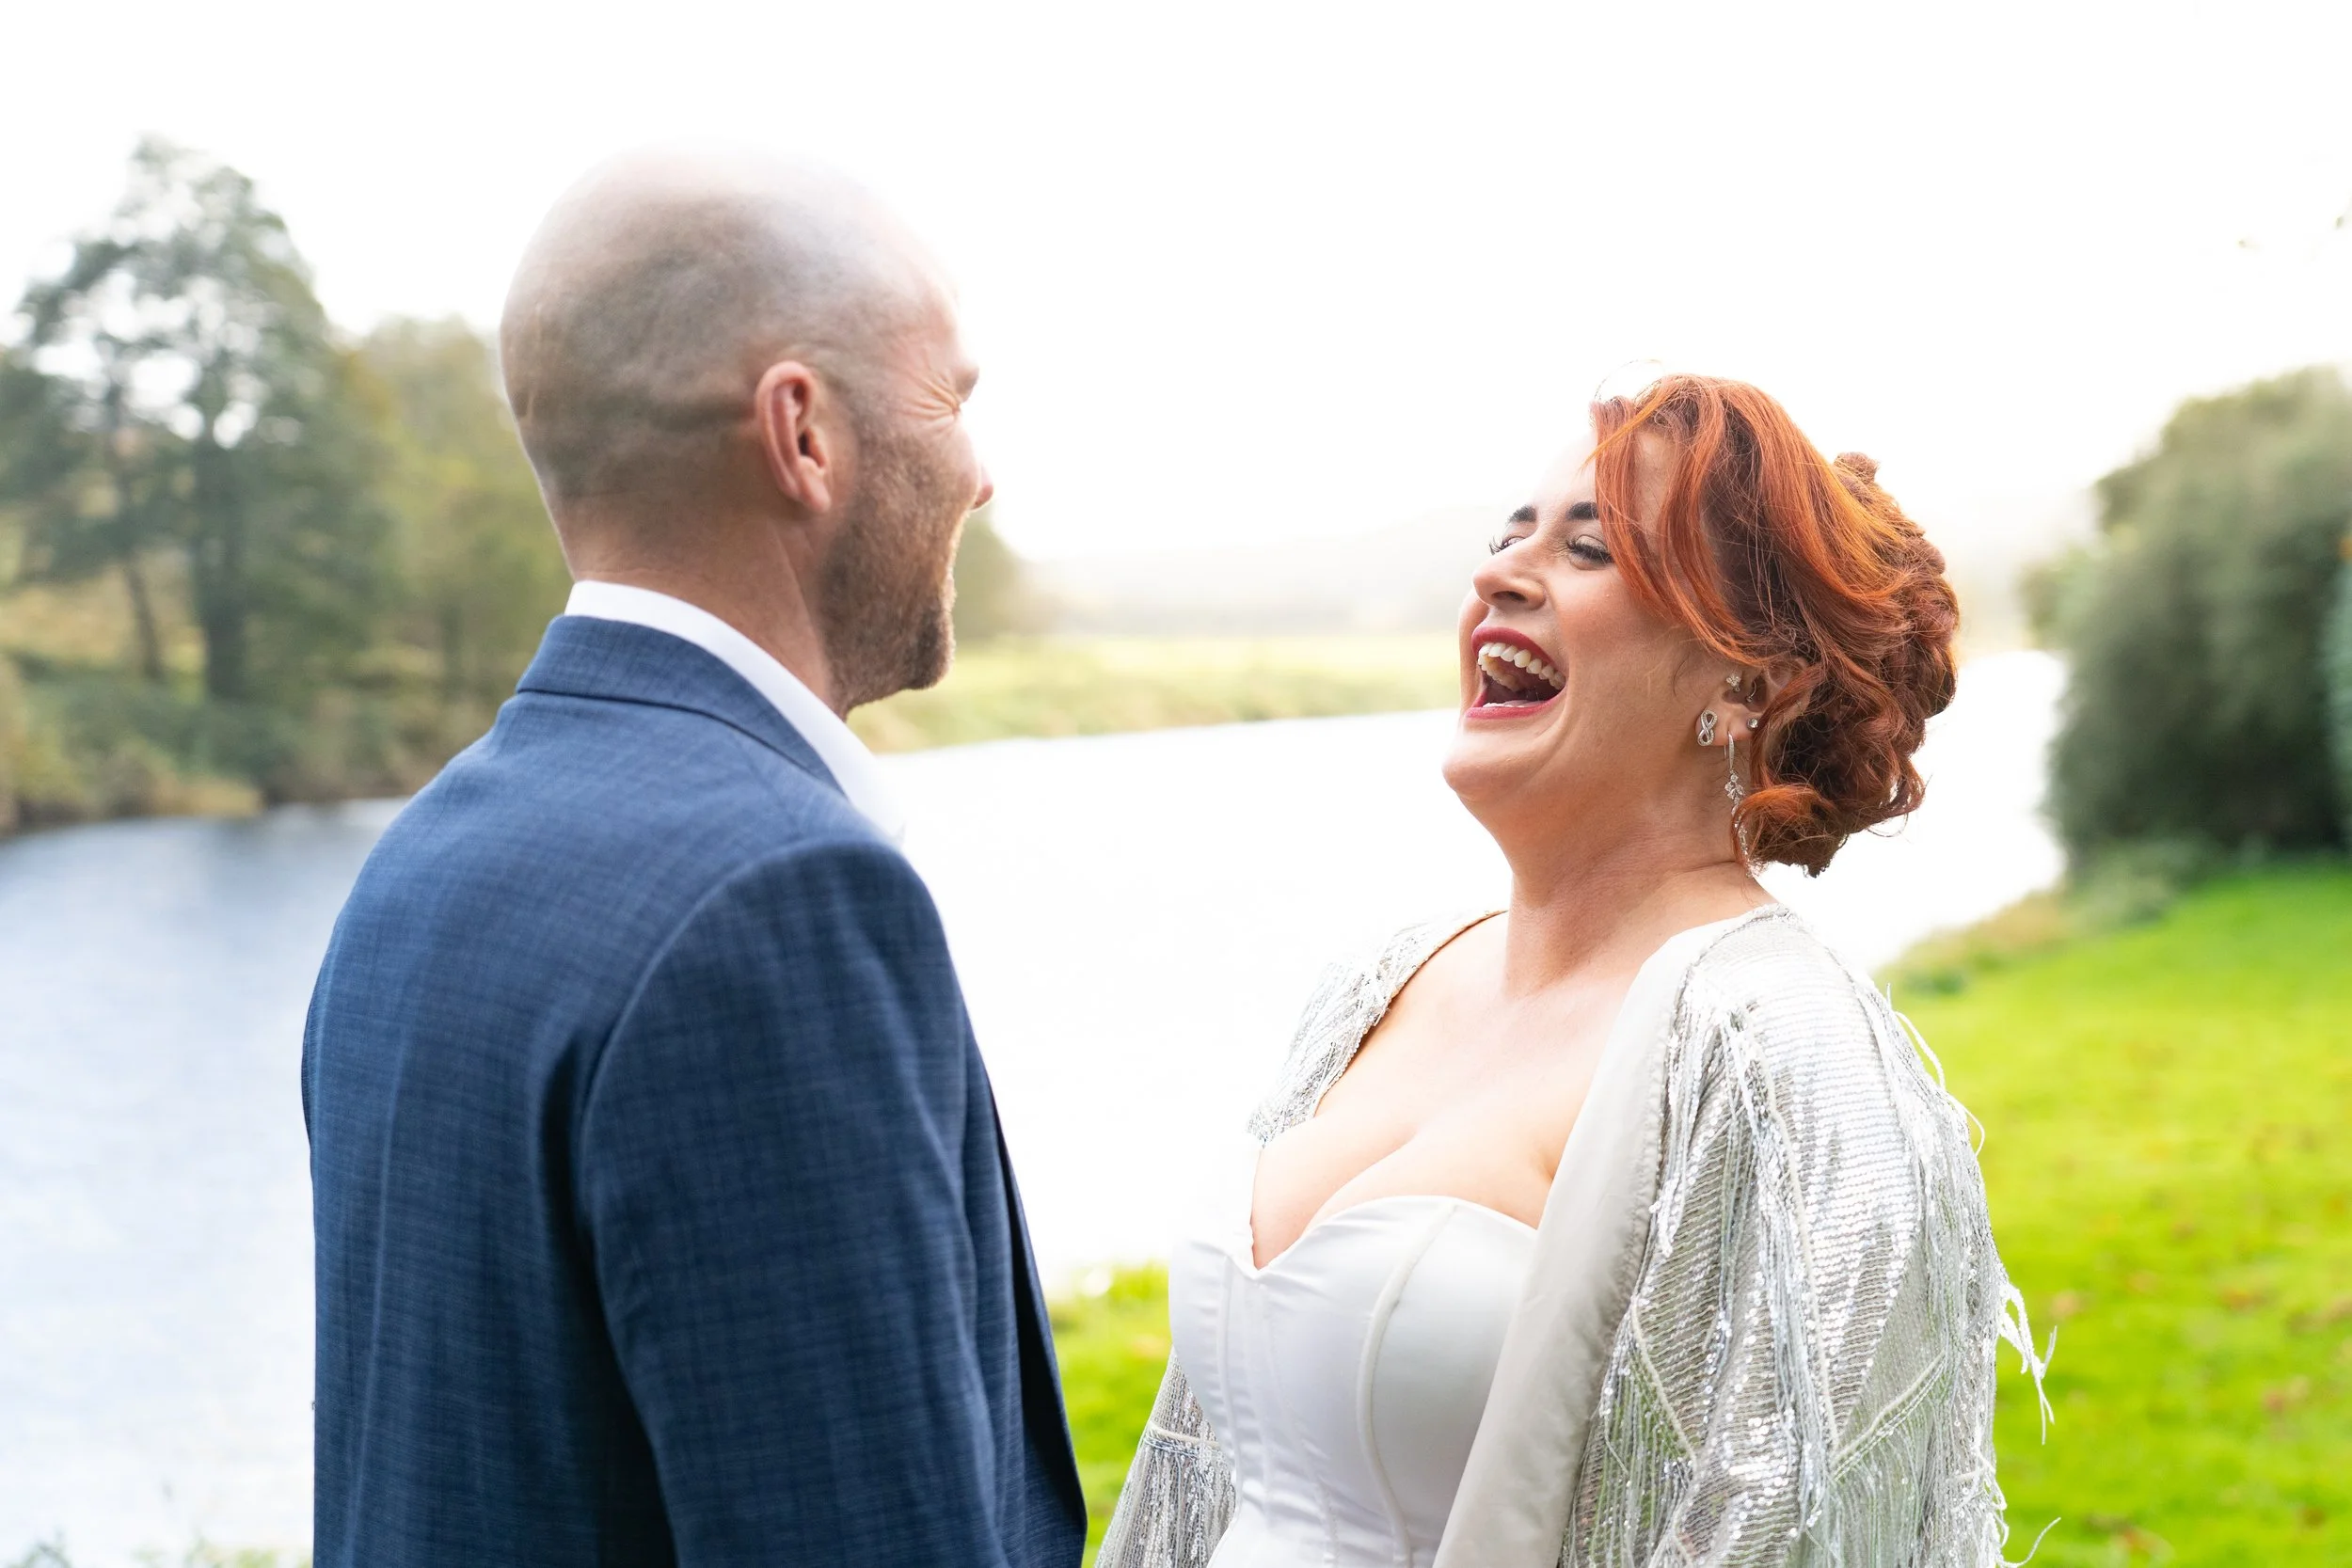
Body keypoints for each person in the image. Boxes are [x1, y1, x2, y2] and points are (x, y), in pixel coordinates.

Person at [1099, 375, 2050, 1568]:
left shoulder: (1779, 1051)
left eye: (1591, 549)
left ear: (1752, 680)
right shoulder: (1387, 978)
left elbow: (1787, 1529)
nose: (1502, 572)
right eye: (1507, 535)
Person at [301, 150, 1084, 1567]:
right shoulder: (776, 899)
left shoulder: (421, 859)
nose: (981, 470)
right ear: (804, 434)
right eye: (952, 399)